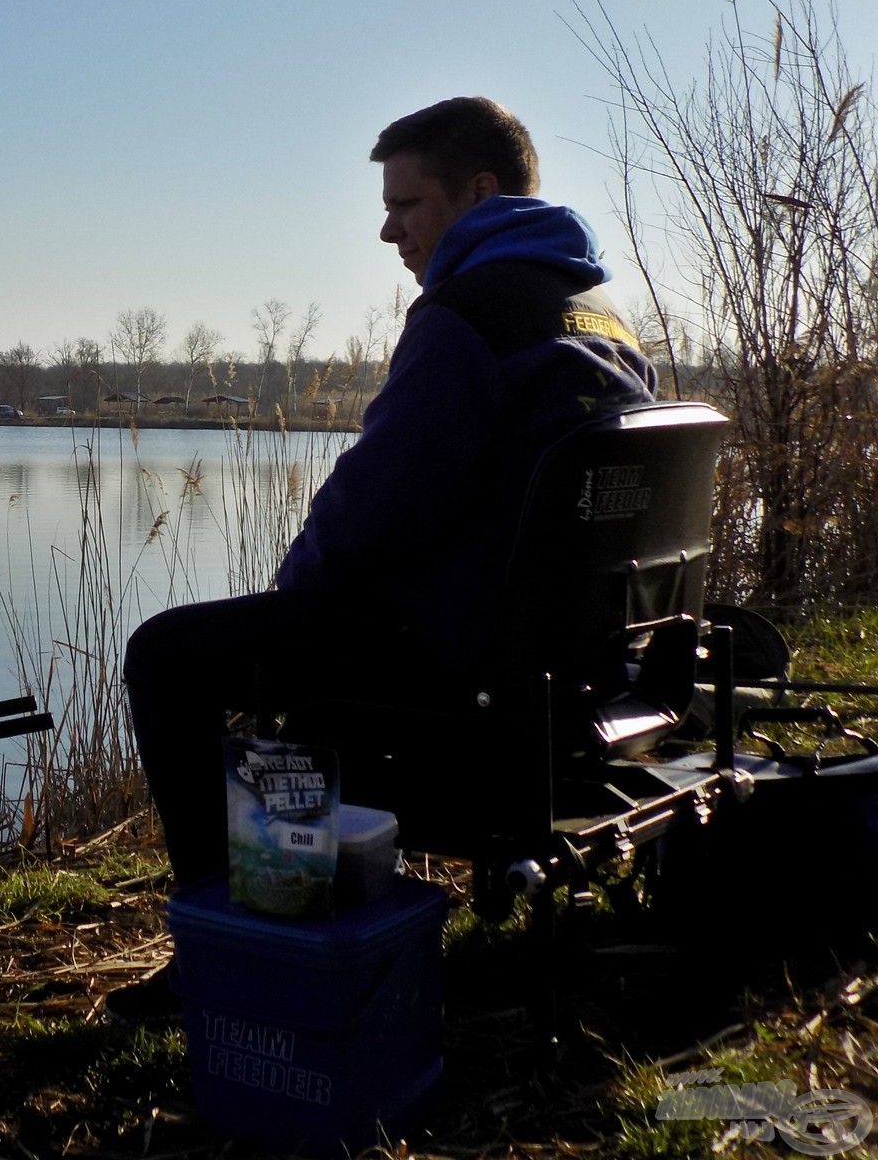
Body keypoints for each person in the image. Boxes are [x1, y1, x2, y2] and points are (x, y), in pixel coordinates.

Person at [106, 97, 657, 1023]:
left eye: (407, 205)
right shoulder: (601, 318)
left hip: (464, 662)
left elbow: (373, 504)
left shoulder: (464, 315)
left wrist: (294, 598)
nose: (387, 228)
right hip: (573, 665)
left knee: (168, 655)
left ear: (479, 193)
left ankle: (222, 940)